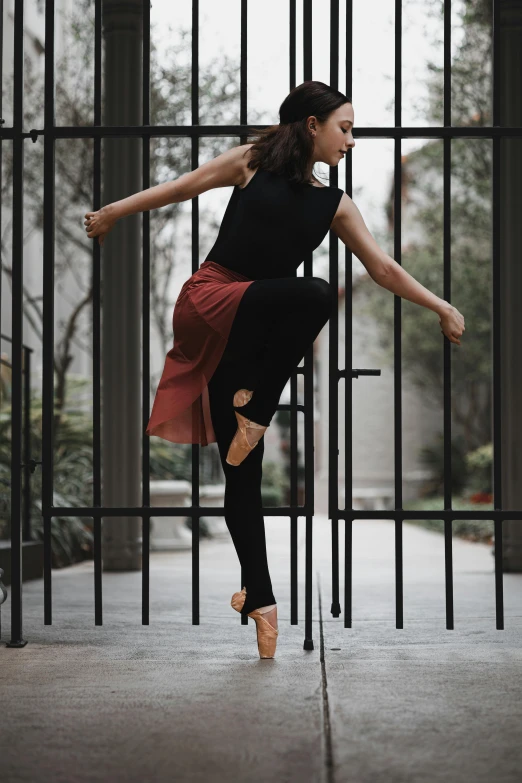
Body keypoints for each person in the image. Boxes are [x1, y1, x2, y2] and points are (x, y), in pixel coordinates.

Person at [83, 81, 465, 659]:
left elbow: (383, 268)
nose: (351, 141)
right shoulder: (251, 162)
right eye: (345, 127)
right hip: (212, 304)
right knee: (312, 291)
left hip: (250, 341)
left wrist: (439, 305)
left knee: (243, 470)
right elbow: (184, 186)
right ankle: (257, 412)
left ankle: (260, 600)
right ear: (311, 125)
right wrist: (115, 210)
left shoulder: (333, 204)